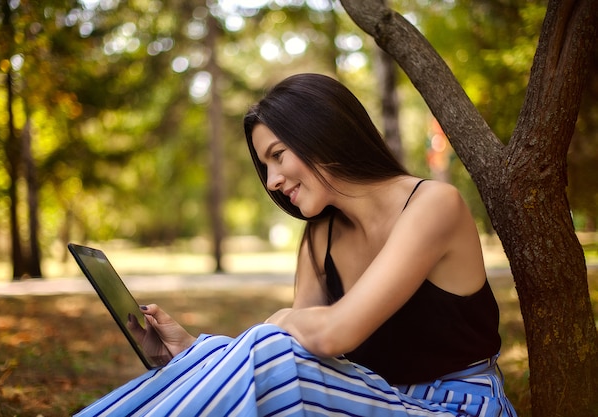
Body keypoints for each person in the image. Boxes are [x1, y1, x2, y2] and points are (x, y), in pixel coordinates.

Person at [74, 73, 517, 416]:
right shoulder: (320, 237)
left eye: (278, 155)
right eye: (265, 164)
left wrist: (274, 324)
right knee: (272, 356)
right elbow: (297, 350)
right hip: (375, 399)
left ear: (321, 132)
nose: (272, 181)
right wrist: (193, 352)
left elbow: (330, 332)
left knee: (273, 352)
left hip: (457, 405)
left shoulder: (433, 204)